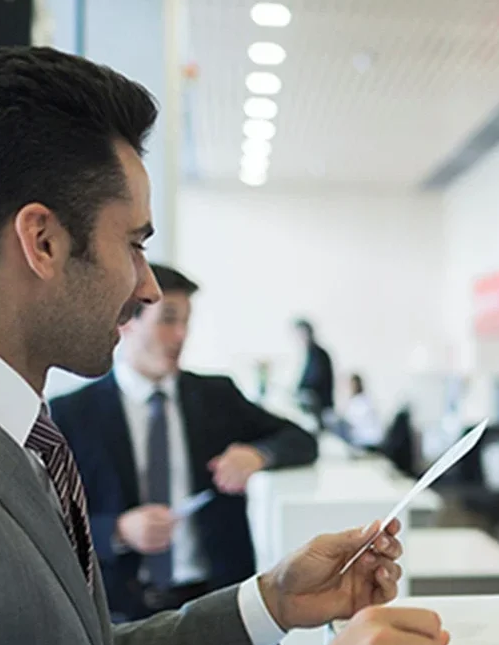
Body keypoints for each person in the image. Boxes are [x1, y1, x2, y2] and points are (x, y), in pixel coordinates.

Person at [0, 47, 447, 645]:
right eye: (134, 244)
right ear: (44, 241)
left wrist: (271, 602)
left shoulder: (1, 431)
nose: (146, 287)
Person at [50, 263, 320, 622]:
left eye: (186, 322)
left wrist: (258, 455)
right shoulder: (72, 413)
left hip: (217, 602)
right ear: (126, 321)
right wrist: (116, 531)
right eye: (168, 319)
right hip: (119, 612)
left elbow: (301, 439)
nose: (181, 335)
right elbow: (53, 519)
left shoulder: (215, 395)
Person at [293, 319, 335, 414]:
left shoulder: (318, 355)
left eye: (302, 334)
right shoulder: (310, 355)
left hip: (320, 409)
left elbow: (314, 380)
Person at [340, 373, 385, 449]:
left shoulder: (361, 402)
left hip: (366, 439)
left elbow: (352, 423)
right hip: (367, 438)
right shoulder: (361, 400)